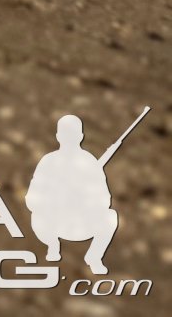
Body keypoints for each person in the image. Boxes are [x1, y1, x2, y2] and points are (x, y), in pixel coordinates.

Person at [27, 114, 122, 275]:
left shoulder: (90, 162)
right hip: (54, 224)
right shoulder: (48, 161)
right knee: (37, 215)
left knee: (110, 216)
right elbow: (32, 199)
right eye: (65, 134)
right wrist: (54, 201)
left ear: (80, 137)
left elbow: (105, 200)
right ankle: (52, 245)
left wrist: (84, 198)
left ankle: (94, 257)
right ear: (58, 136)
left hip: (82, 224)